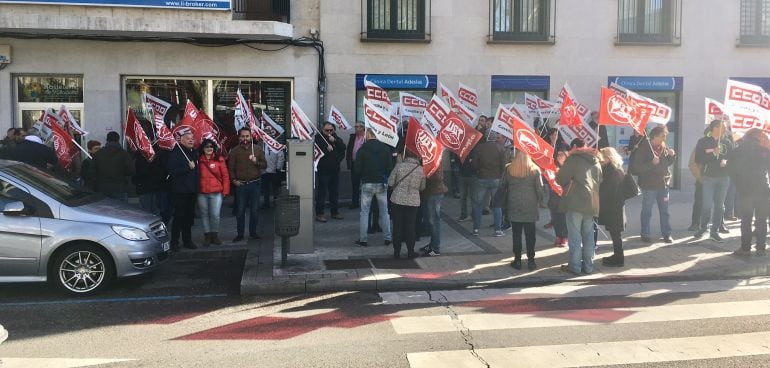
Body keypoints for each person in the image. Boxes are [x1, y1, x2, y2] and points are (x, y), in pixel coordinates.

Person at [556, 139, 602, 275]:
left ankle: (575, 266)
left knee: (575, 235)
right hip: (592, 201)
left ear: (575, 147)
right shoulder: (596, 160)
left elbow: (560, 178)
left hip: (575, 201)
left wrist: (562, 164)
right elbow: (600, 180)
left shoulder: (574, 159)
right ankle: (588, 266)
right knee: (588, 235)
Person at [727, 128, 769, 257]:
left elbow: (730, 170)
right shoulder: (765, 151)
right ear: (757, 137)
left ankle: (745, 249)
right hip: (762, 190)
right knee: (761, 220)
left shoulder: (736, 151)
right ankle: (761, 249)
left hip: (744, 191)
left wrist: (739, 184)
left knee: (746, 220)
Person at [630, 126, 676, 244]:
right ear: (655, 136)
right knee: (647, 211)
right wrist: (651, 163)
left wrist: (672, 156)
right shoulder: (644, 148)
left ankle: (667, 234)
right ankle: (645, 234)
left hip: (663, 184)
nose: (665, 138)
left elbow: (666, 163)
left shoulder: (664, 147)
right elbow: (637, 168)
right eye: (663, 135)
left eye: (665, 135)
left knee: (665, 211)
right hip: (649, 185)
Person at [501, 151, 544, 270]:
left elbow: (503, 185)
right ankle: (531, 260)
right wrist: (542, 201)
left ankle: (517, 260)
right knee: (531, 235)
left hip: (514, 204)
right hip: (530, 205)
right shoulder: (535, 169)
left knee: (516, 234)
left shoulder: (509, 169)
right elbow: (539, 189)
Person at [694, 120, 734, 242]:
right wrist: (712, 153)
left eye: (726, 127)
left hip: (724, 177)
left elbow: (732, 159)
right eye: (724, 127)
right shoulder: (703, 141)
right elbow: (698, 158)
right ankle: (703, 228)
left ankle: (714, 231)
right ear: (715, 128)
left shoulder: (727, 142)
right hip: (709, 177)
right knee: (706, 205)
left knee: (719, 206)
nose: (726, 129)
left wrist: (727, 162)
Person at [354, 129, 393, 247]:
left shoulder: (362, 149)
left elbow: (357, 169)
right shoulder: (385, 148)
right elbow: (390, 167)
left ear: (368, 135)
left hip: (367, 183)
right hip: (381, 183)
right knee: (384, 212)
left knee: (364, 212)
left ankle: (363, 239)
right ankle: (387, 238)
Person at [228, 128, 267, 243]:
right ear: (239, 137)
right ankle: (240, 234)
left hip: (255, 184)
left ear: (251, 137)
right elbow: (230, 168)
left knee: (255, 210)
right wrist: (234, 180)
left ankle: (253, 232)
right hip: (241, 185)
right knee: (240, 211)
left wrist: (256, 162)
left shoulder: (257, 149)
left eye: (247, 136)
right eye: (243, 136)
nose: (245, 139)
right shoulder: (234, 151)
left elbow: (265, 165)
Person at [388, 151, 425, 259]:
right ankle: (410, 251)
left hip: (397, 200)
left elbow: (390, 182)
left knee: (397, 226)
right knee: (410, 226)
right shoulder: (420, 169)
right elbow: (422, 187)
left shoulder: (399, 166)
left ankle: (397, 251)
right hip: (413, 201)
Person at [167, 129, 199, 251]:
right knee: (179, 217)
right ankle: (174, 242)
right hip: (180, 191)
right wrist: (187, 167)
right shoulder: (176, 153)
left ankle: (187, 240)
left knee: (189, 217)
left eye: (192, 138)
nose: (191, 140)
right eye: (188, 138)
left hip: (192, 190)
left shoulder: (194, 152)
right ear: (181, 140)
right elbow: (172, 171)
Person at [469, 132, 507, 237]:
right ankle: (498, 230)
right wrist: (500, 174)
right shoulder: (500, 148)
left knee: (478, 205)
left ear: (486, 137)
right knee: (497, 205)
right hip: (496, 179)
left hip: (482, 178)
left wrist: (478, 171)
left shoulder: (479, 148)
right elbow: (504, 165)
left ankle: (476, 229)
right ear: (495, 138)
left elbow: (474, 164)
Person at [598, 147, 628, 267]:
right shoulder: (615, 168)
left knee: (615, 233)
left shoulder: (612, 171)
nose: (600, 159)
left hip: (614, 207)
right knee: (615, 233)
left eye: (602, 157)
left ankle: (619, 258)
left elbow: (609, 190)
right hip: (616, 206)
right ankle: (617, 255)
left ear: (608, 158)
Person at [198, 139, 230, 247]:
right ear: (203, 148)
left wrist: (225, 190)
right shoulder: (198, 160)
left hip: (216, 192)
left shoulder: (219, 159)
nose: (209, 148)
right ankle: (207, 235)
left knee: (215, 215)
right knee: (204, 215)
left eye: (211, 146)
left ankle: (214, 235)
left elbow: (225, 176)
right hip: (202, 192)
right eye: (206, 146)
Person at [315, 122, 347, 222]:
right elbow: (318, 149)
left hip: (335, 170)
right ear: (322, 130)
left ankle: (335, 212)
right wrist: (326, 146)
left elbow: (343, 148)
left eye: (331, 130)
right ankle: (319, 213)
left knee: (334, 192)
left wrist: (335, 141)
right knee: (322, 193)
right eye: (326, 130)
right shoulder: (319, 138)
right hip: (323, 170)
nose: (329, 132)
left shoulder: (336, 138)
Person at [91, 131, 135, 201]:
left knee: (103, 211)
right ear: (118, 140)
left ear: (107, 140)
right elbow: (130, 170)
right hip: (120, 188)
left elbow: (92, 172)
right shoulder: (124, 154)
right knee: (121, 210)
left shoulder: (98, 154)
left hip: (103, 189)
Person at [419, 159, 447, 257]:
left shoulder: (435, 159)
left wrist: (424, 173)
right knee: (429, 220)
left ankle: (435, 248)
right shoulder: (429, 158)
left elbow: (438, 177)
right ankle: (432, 244)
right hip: (430, 193)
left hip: (435, 193)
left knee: (434, 221)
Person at [549, 150, 569, 247]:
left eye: (561, 155)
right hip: (554, 197)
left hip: (565, 198)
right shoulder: (553, 167)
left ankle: (565, 237)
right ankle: (558, 236)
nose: (559, 156)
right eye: (558, 154)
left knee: (564, 219)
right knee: (556, 218)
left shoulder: (569, 168)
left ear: (566, 156)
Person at [346, 121, 366, 209]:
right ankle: (355, 203)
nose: (356, 128)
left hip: (365, 165)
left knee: (365, 185)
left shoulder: (366, 137)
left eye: (358, 127)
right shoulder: (353, 137)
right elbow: (349, 150)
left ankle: (365, 203)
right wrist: (348, 162)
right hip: (354, 164)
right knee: (355, 185)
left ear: (363, 128)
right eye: (355, 127)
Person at [260, 142, 285, 209]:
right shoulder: (262, 144)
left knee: (274, 187)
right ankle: (267, 203)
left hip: (273, 171)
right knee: (266, 188)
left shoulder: (275, 144)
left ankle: (275, 202)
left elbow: (281, 157)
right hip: (265, 171)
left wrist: (278, 168)